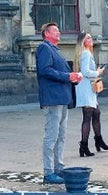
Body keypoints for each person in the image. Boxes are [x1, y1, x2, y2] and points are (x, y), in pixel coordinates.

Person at [36, 22, 83, 184]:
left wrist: (73, 77)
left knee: (61, 135)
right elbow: (45, 70)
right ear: (46, 33)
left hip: (62, 98)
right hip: (53, 98)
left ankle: (59, 167)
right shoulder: (44, 48)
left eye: (58, 30)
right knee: (51, 136)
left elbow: (60, 73)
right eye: (55, 31)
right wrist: (67, 76)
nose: (59, 33)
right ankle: (48, 172)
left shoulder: (56, 50)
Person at [74, 32, 108, 157]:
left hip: (87, 87)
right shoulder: (85, 53)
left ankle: (99, 140)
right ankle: (84, 146)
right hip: (86, 88)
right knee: (87, 117)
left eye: (91, 37)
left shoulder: (85, 52)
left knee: (96, 113)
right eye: (88, 38)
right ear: (82, 41)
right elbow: (85, 72)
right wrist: (98, 72)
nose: (91, 39)